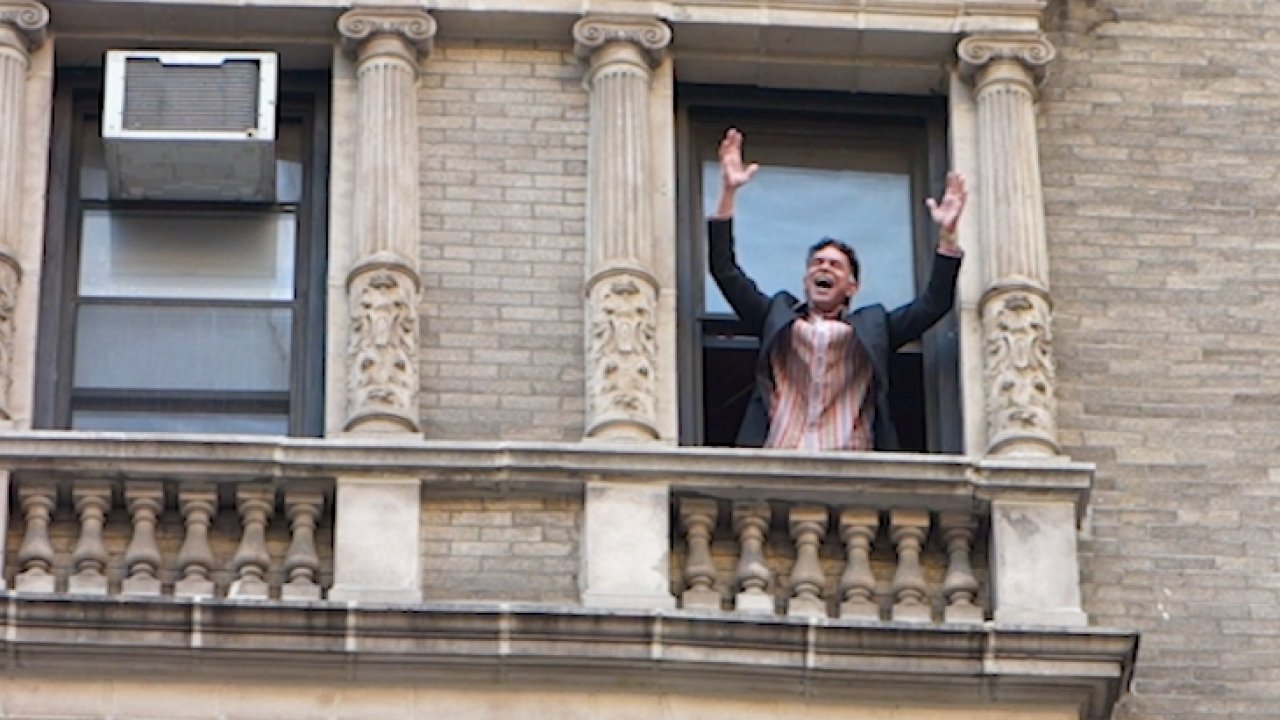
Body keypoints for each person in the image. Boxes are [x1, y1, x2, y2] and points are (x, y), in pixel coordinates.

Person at [706, 128, 968, 451]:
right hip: (781, 461)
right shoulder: (777, 317)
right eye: (817, 263)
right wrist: (727, 195)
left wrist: (948, 236)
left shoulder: (874, 328)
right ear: (805, 280)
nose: (823, 268)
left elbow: (934, 303)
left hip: (850, 466)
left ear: (851, 287)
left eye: (834, 265)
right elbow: (725, 272)